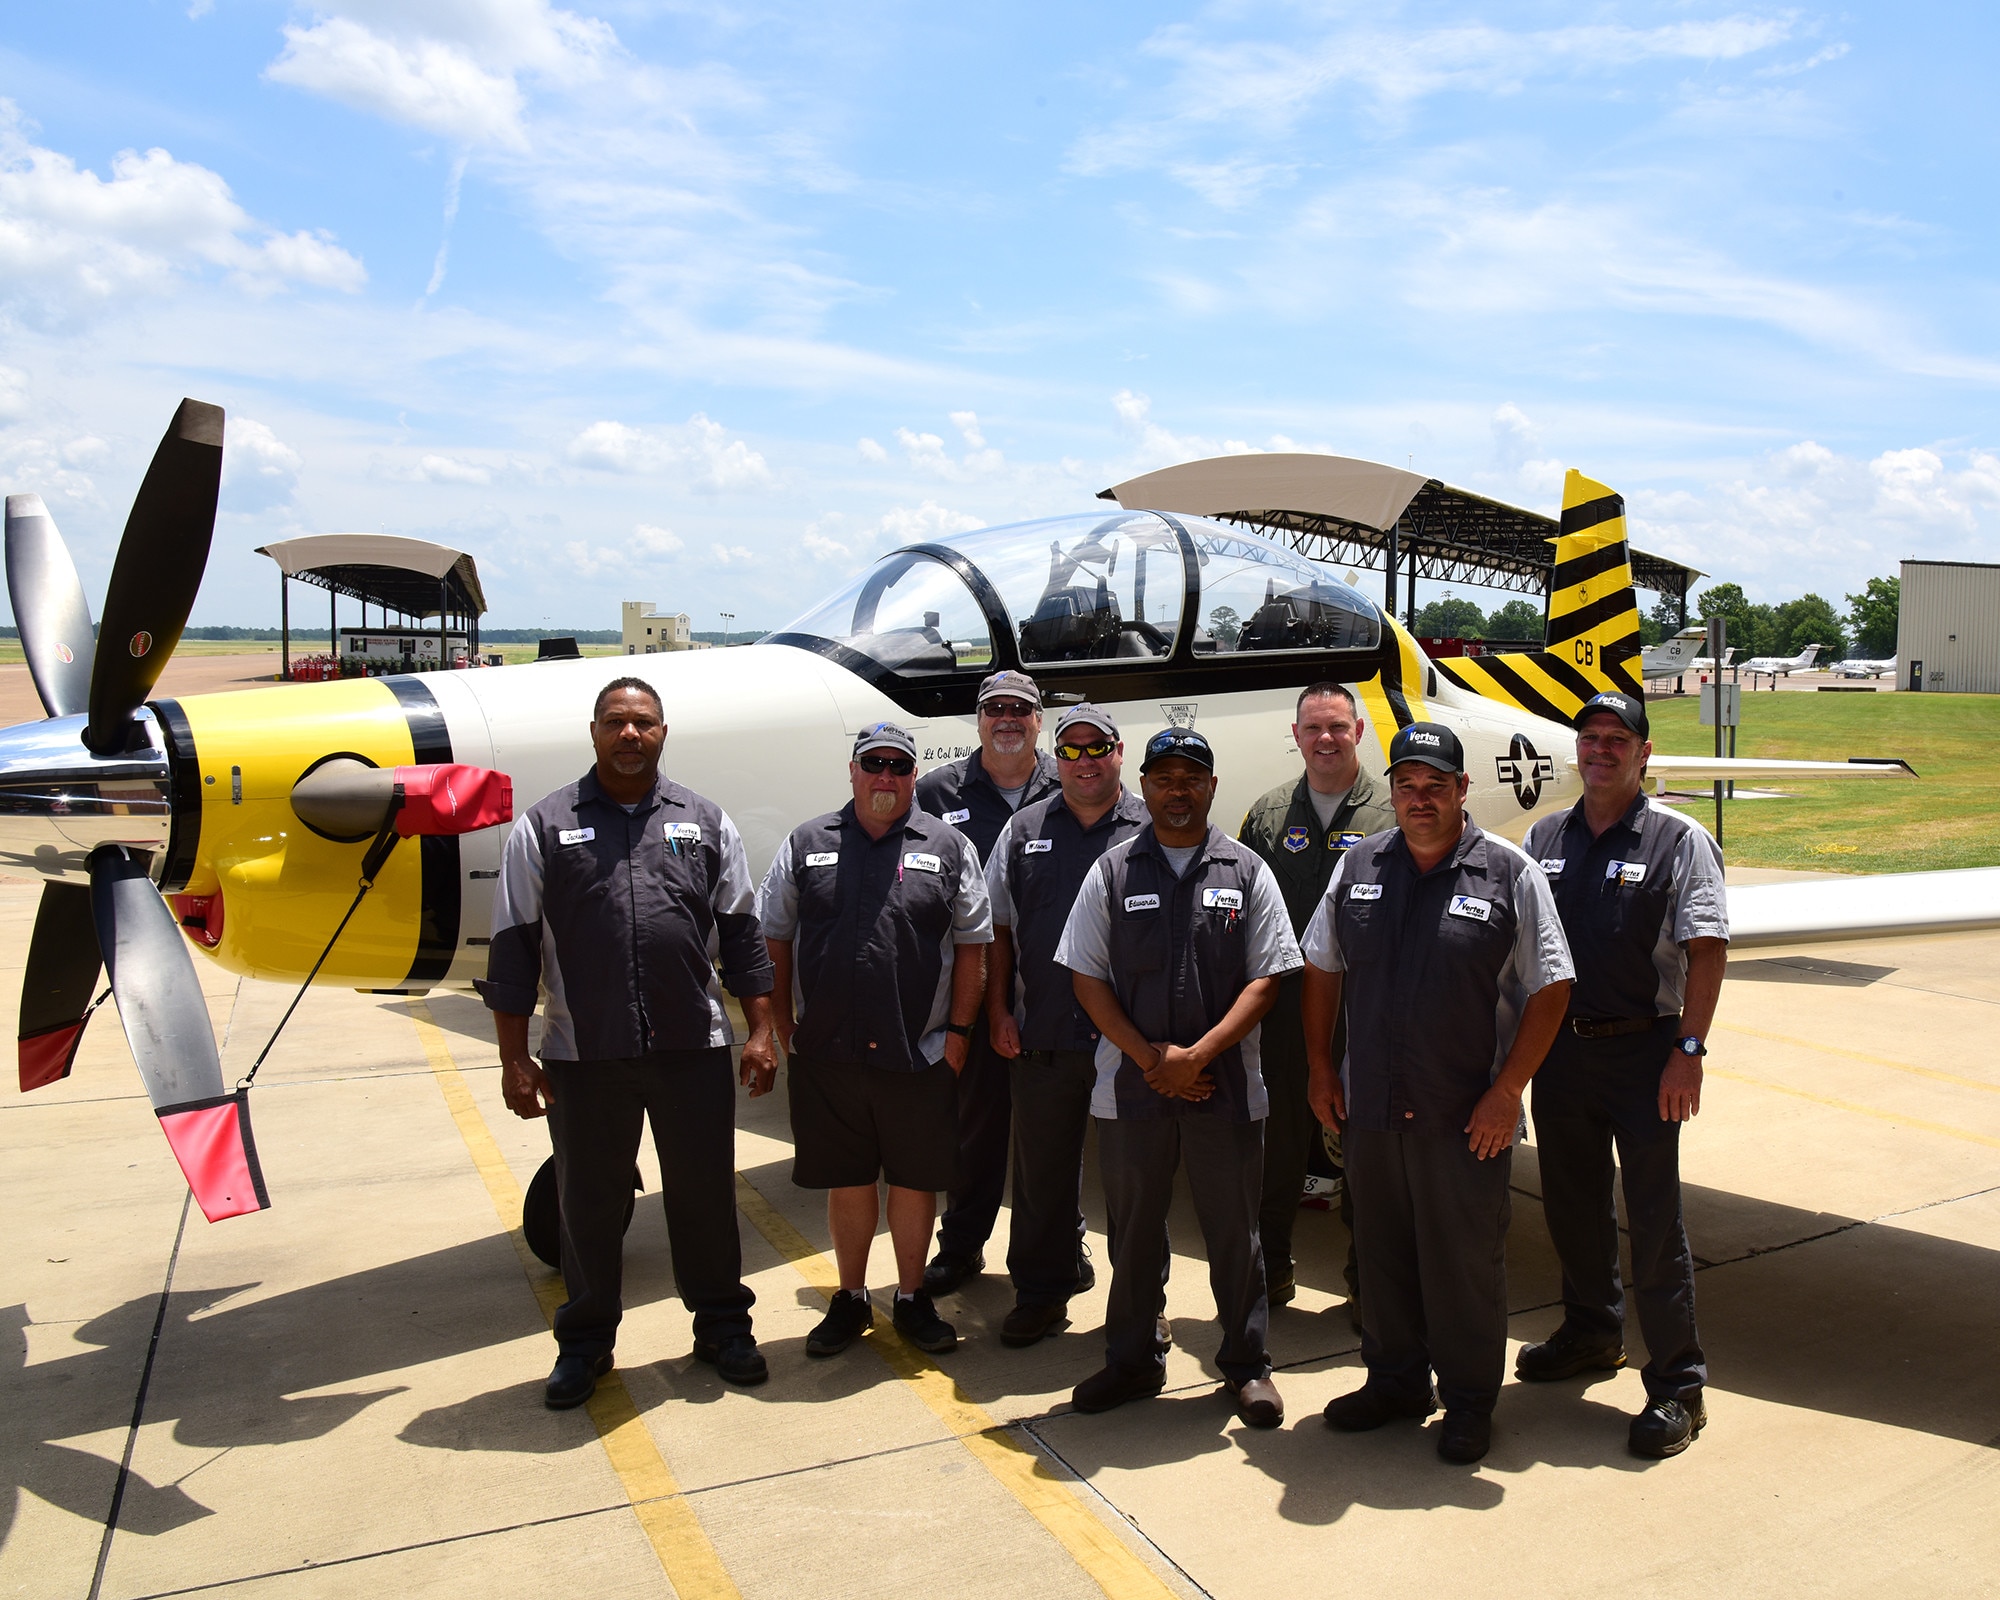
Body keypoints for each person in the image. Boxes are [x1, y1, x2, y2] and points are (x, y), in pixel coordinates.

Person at [479, 677, 778, 1410]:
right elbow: (513, 948)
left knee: (705, 1197)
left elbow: (741, 935)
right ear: (594, 732)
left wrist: (764, 1029)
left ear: (664, 732)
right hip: (585, 1054)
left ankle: (721, 1329)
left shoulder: (706, 822)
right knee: (589, 1206)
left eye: (643, 723)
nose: (630, 735)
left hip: (691, 1049)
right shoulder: (545, 826)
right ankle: (584, 1346)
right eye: (616, 722)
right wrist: (514, 1057)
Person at [1303, 721, 1572, 1464]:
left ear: (1461, 790)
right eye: (1406, 786)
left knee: (1462, 1262)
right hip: (1373, 1108)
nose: (1420, 799)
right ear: (1392, 792)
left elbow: (1552, 986)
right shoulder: (1358, 866)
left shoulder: (1509, 874)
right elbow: (1322, 965)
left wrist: (1507, 1089)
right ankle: (1394, 1382)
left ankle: (1469, 1401)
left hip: (1464, 1116)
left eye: (1435, 786)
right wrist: (1323, 1069)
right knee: (1381, 1252)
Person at [1056, 727, 1301, 1429]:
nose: (1177, 790)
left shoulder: (1248, 870)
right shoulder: (1110, 872)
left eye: (1191, 777)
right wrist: (1150, 1059)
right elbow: (1085, 975)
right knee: (1133, 1231)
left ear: (1212, 787)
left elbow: (1266, 979)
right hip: (1133, 1090)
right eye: (1163, 778)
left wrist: (1196, 1057)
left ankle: (1247, 1367)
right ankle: (1132, 1361)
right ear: (1145, 787)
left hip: (1225, 1087)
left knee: (1235, 1233)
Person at [1514, 691, 1727, 1459]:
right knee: (1570, 1206)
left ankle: (1679, 1386)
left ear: (1643, 752)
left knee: (1654, 1221)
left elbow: (1707, 948)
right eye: (1590, 738)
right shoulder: (1545, 836)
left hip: (1646, 1053)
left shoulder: (1678, 838)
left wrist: (1689, 1051)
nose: (1600, 750)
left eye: (1617, 739)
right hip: (1563, 1054)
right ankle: (1591, 1332)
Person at [758, 722, 992, 1358]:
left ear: (914, 776)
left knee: (915, 1180)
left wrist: (960, 1035)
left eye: (899, 765)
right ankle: (852, 1297)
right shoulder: (807, 843)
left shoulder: (949, 847)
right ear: (854, 770)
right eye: (874, 763)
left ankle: (911, 1298)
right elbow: (773, 935)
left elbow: (975, 944)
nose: (885, 776)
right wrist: (782, 1025)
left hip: (918, 1053)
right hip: (829, 1054)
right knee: (850, 1178)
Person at [985, 704, 1149, 1346]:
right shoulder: (1024, 830)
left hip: (1129, 1040)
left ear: (1118, 751)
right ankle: (1041, 1294)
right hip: (1044, 1033)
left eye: (1096, 748)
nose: (1083, 761)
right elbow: (996, 926)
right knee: (1041, 1179)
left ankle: (1143, 1304)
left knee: (1137, 1185)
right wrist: (999, 1009)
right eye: (1071, 750)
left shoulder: (1153, 825)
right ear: (1056, 758)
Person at [1237, 681, 1395, 1317]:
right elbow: (1245, 908)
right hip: (1288, 1007)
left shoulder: (1394, 809)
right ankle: (1271, 1267)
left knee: (1366, 1148)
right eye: (1313, 729)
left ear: (1358, 731)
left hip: (1366, 1009)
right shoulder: (1270, 814)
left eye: (1337, 727)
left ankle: (1367, 1280)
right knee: (1278, 1142)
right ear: (1296, 736)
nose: (1325, 739)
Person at [917, 670, 1061, 1297]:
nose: (1007, 719)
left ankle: (1060, 1240)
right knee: (974, 1124)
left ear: (1039, 720)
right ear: (977, 720)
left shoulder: (1075, 781)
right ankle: (962, 1246)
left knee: (1055, 1132)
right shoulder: (935, 791)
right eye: (993, 708)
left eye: (1020, 709)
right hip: (972, 992)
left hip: (1059, 992)